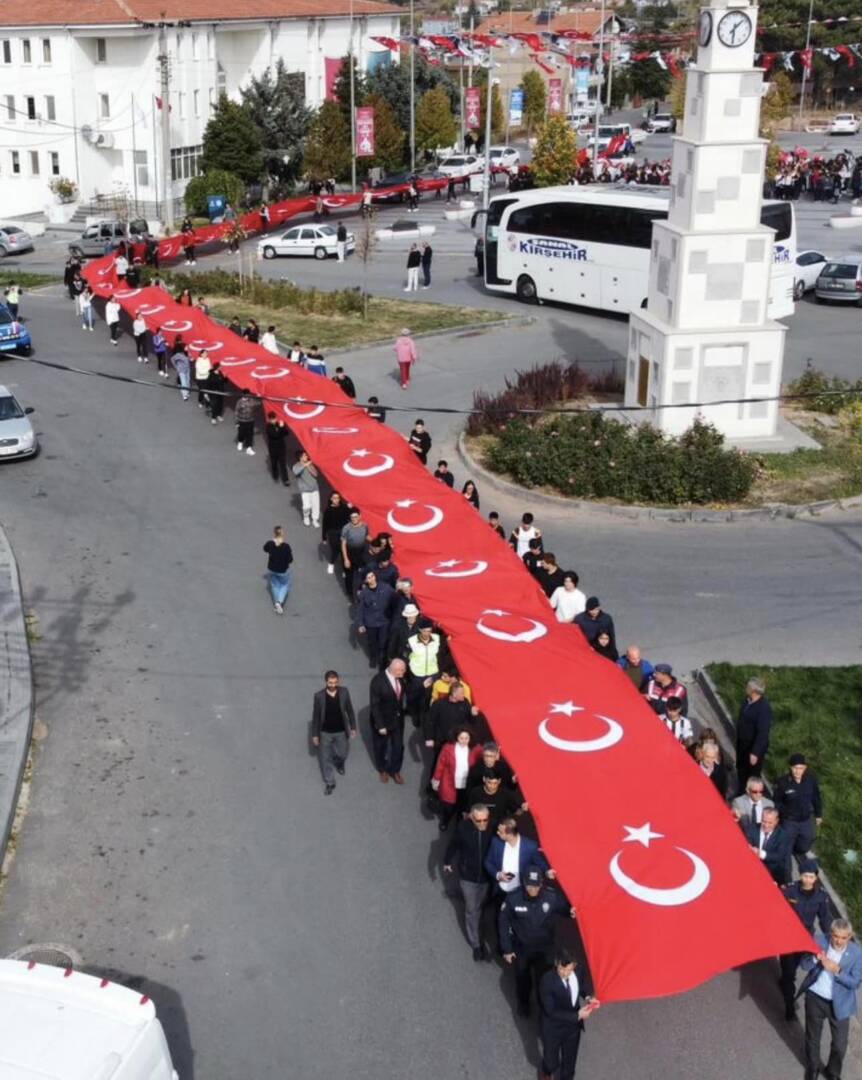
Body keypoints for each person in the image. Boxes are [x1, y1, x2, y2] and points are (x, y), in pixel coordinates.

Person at [498, 866, 570, 1018]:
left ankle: (545, 1008)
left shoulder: (551, 897)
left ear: (541, 883)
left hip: (545, 949)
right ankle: (523, 1004)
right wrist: (507, 949)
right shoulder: (513, 898)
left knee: (545, 980)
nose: (533, 889)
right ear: (524, 883)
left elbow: (566, 909)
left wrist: (572, 912)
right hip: (522, 948)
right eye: (530, 885)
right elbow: (503, 922)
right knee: (523, 980)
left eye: (536, 885)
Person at [800, 918, 862, 1080]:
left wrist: (838, 971)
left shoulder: (857, 953)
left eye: (843, 937)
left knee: (840, 1045)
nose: (839, 941)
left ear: (849, 937)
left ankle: (832, 1072)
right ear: (830, 934)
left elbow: (855, 982)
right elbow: (804, 965)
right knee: (813, 1037)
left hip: (840, 1004)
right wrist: (815, 958)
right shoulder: (819, 941)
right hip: (815, 997)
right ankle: (812, 1068)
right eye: (835, 936)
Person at [779, 858, 832, 1020]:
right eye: (805, 876)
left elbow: (825, 919)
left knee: (793, 969)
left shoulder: (821, 896)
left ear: (816, 878)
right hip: (788, 937)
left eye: (811, 877)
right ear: (801, 875)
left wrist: (830, 939)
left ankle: (786, 983)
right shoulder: (790, 890)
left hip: (804, 939)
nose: (808, 880)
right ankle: (789, 1004)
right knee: (788, 971)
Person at [443, 803, 494, 960]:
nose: (482, 824)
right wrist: (447, 861)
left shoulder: (493, 828)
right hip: (468, 877)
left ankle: (479, 926)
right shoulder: (462, 829)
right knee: (472, 910)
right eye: (478, 820)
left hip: (487, 876)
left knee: (480, 906)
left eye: (485, 820)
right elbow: (453, 845)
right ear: (471, 817)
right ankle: (476, 944)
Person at [539, 950, 599, 1080]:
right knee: (551, 1061)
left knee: (569, 1065)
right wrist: (577, 1015)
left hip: (572, 1029)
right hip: (553, 1029)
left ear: (574, 966)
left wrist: (588, 998)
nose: (565, 973)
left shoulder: (578, 971)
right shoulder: (547, 981)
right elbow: (551, 1011)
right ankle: (546, 1071)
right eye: (561, 969)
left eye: (569, 970)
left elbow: (581, 987)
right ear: (556, 963)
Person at [311, 670, 357, 795]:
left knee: (342, 753)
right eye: (330, 683)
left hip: (341, 731)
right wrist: (315, 734)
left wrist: (353, 727)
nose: (333, 685)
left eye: (335, 682)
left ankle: (339, 762)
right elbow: (316, 717)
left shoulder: (344, 692)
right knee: (325, 758)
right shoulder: (319, 696)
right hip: (325, 732)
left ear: (338, 681)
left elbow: (350, 711)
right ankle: (330, 782)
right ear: (326, 682)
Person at [773, 753, 823, 861]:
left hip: (805, 819)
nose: (797, 771)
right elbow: (776, 801)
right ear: (790, 767)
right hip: (789, 820)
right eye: (795, 768)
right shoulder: (782, 782)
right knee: (784, 846)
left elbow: (816, 797)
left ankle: (796, 851)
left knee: (806, 843)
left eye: (801, 768)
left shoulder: (811, 780)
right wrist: (783, 813)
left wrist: (818, 814)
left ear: (805, 768)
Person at [432, 726, 483, 831]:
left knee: (463, 806)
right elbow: (440, 764)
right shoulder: (448, 748)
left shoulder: (476, 749)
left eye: (466, 738)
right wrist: (436, 779)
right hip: (450, 784)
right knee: (449, 806)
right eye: (461, 738)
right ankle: (445, 820)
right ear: (456, 738)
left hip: (466, 785)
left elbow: (486, 754)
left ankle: (459, 826)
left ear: (470, 738)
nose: (464, 741)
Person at [485, 818, 549, 898]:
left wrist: (547, 871)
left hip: (521, 891)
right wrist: (498, 874)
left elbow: (540, 863)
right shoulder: (496, 842)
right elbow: (488, 862)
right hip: (500, 891)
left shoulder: (530, 846)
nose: (497, 833)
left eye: (500, 832)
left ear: (509, 834)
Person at [369, 658, 407, 783]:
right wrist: (380, 725)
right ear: (392, 670)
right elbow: (375, 705)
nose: (403, 673)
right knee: (381, 747)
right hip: (383, 722)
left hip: (397, 720)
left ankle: (395, 770)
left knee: (398, 747)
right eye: (401, 670)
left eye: (403, 670)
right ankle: (383, 769)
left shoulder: (400, 678)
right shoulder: (377, 681)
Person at [735, 676, 773, 795]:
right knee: (741, 768)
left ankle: (750, 796)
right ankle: (741, 792)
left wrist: (755, 752)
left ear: (754, 691)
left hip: (752, 747)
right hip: (742, 743)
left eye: (748, 687)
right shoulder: (747, 701)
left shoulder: (763, 709)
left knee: (751, 774)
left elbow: (763, 732)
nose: (746, 688)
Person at [356, 570, 395, 669]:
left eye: (372, 576)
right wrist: (361, 624)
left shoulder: (386, 588)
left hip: (384, 621)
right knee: (372, 643)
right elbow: (361, 609)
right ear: (366, 581)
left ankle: (382, 660)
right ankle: (373, 658)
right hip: (371, 623)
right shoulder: (364, 593)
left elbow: (395, 598)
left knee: (383, 642)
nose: (371, 579)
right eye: (368, 578)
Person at [746, 806, 791, 885]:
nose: (766, 825)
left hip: (772, 874)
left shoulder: (783, 835)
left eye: (770, 823)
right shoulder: (751, 829)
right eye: (764, 821)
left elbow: (779, 856)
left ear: (776, 821)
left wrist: (761, 854)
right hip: (751, 870)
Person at [263, 525, 293, 614]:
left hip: (272, 569)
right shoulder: (286, 546)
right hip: (283, 570)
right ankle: (279, 602)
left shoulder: (270, 543)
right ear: (282, 534)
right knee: (284, 585)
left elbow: (265, 548)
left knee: (275, 585)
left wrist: (272, 541)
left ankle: (277, 602)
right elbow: (290, 560)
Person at [340, 508, 370, 598]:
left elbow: (367, 536)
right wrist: (346, 559)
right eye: (352, 517)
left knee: (363, 572)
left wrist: (376, 543)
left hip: (361, 553)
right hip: (350, 553)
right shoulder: (346, 528)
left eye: (356, 517)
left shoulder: (365, 526)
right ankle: (350, 593)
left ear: (360, 516)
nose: (354, 519)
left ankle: (361, 590)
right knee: (349, 575)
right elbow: (343, 544)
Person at [321, 492, 351, 576]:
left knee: (343, 550)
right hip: (332, 533)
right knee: (336, 549)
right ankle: (331, 563)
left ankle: (344, 569)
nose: (336, 500)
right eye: (334, 498)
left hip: (343, 531)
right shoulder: (328, 510)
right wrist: (324, 537)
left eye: (337, 498)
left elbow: (350, 516)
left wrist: (350, 508)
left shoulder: (344, 507)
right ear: (331, 499)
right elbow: (325, 524)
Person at [293, 451, 321, 527]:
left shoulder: (310, 465)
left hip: (315, 489)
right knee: (306, 506)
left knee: (316, 506)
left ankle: (315, 520)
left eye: (306, 455)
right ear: (300, 457)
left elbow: (315, 474)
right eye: (304, 455)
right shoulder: (296, 466)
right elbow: (296, 472)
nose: (307, 457)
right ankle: (306, 517)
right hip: (305, 490)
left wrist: (309, 466)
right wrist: (305, 465)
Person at [265, 413, 290, 485]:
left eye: (275, 418)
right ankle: (275, 475)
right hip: (273, 448)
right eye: (272, 419)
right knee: (274, 463)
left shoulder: (279, 424)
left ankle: (286, 480)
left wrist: (283, 427)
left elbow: (286, 433)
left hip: (281, 447)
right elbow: (275, 435)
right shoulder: (268, 427)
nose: (274, 420)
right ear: (269, 419)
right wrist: (281, 429)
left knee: (283, 464)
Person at [235, 390, 258, 455]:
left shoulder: (252, 400)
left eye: (249, 395)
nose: (249, 396)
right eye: (247, 395)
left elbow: (258, 403)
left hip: (250, 421)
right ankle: (240, 442)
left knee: (250, 434)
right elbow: (236, 412)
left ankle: (249, 448)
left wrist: (259, 396)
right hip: (241, 421)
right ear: (244, 395)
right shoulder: (239, 402)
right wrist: (236, 422)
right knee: (241, 433)